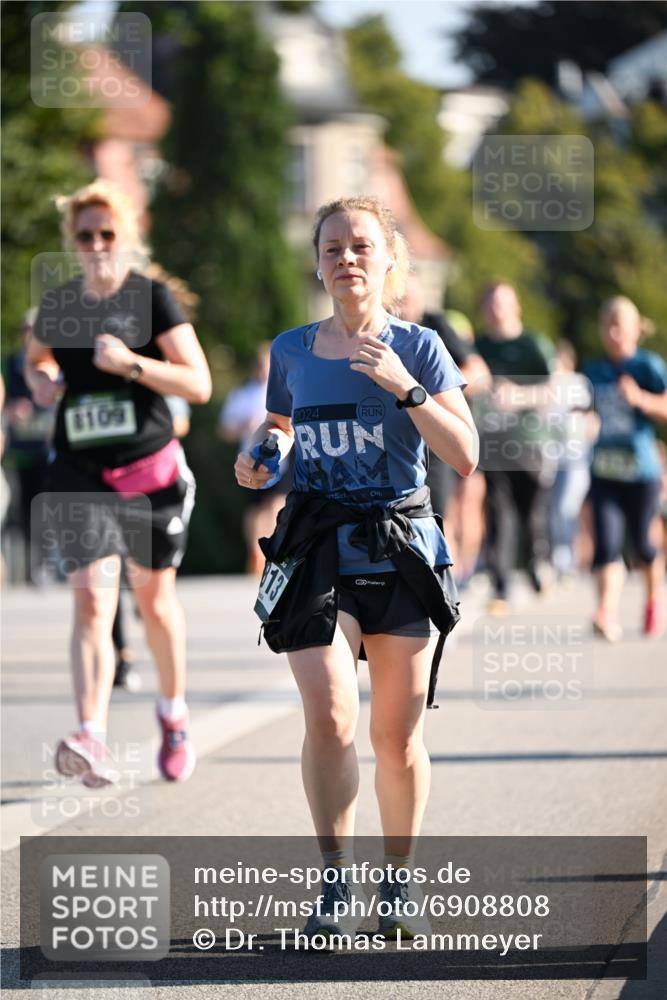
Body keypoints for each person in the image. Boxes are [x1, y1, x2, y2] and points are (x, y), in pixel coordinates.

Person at [234, 195, 477, 938]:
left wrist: (403, 386)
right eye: (333, 246)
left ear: (389, 262)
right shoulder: (293, 350)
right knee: (330, 714)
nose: (346, 258)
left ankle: (397, 885)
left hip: (400, 547)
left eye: (362, 246)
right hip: (317, 548)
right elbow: (279, 425)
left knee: (395, 738)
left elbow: (464, 455)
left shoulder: (421, 347)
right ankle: (334, 882)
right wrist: (260, 455)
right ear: (317, 262)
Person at [25, 178, 212, 784]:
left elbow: (199, 384)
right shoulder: (58, 305)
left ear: (126, 237)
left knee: (155, 603)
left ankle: (174, 713)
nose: (98, 244)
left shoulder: (151, 299)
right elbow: (35, 358)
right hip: (81, 473)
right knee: (91, 600)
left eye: (108, 233)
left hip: (150, 473)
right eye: (86, 235)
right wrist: (44, 380)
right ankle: (92, 735)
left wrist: (133, 364)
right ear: (72, 242)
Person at [584, 296, 667, 640]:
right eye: (609, 326)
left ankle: (652, 599)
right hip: (604, 469)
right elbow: (583, 409)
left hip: (642, 472)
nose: (615, 333)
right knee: (605, 544)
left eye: (621, 325)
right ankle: (606, 612)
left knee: (643, 545)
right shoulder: (593, 370)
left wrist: (642, 400)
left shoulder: (648, 366)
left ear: (635, 330)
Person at [399, 276, 489, 587]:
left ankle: (451, 573)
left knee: (447, 508)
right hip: (402, 437)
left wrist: (430, 395)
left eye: (408, 297)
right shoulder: (383, 330)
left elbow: (478, 371)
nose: (403, 305)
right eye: (397, 298)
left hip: (442, 430)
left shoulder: (434, 327)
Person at [474, 281, 556, 612]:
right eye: (491, 304)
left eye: (503, 303)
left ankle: (539, 561)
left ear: (516, 306)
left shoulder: (533, 344)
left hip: (529, 442)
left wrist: (518, 397)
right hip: (492, 443)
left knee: (531, 510)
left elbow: (553, 390)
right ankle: (501, 583)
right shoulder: (478, 348)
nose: (497, 310)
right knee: (497, 510)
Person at [219, 342, 292, 575]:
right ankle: (255, 551)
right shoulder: (242, 394)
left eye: (267, 365)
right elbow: (224, 429)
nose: (263, 369)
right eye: (260, 365)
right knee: (254, 511)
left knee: (275, 504)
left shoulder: (284, 389)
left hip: (282, 459)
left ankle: (272, 549)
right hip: (251, 459)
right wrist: (244, 426)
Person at [1, 308, 55, 583]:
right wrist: (11, 409)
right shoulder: (10, 365)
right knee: (23, 509)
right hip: (19, 451)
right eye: (28, 330)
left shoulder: (59, 360)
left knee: (47, 509)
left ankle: (44, 564)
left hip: (50, 451)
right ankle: (30, 569)